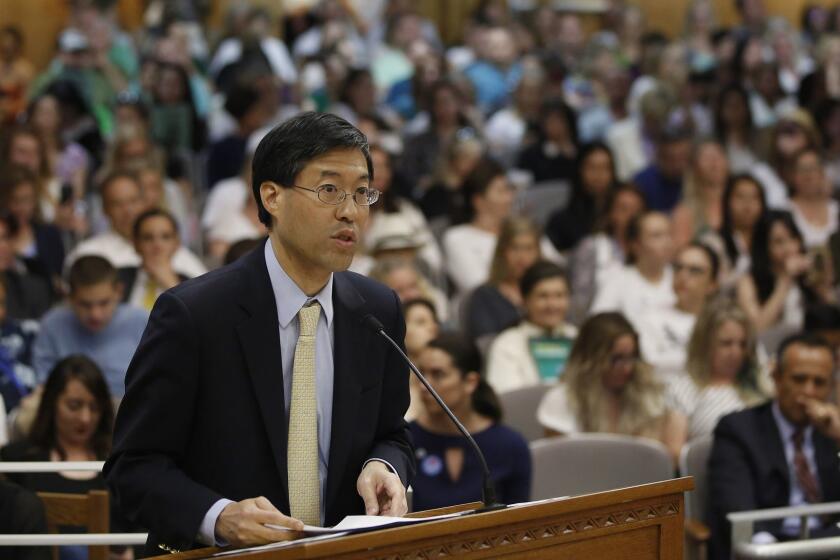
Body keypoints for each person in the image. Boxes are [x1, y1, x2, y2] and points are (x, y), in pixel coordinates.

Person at [105, 112, 415, 553]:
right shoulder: (194, 315)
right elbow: (133, 468)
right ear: (272, 196)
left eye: (362, 192)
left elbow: (393, 433)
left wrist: (385, 465)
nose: (350, 211)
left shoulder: (377, 310)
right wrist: (218, 517)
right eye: (329, 190)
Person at [707, 333, 840, 559]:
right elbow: (737, 512)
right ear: (777, 377)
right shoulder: (738, 430)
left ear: (832, 386)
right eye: (799, 379)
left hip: (829, 545)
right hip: (770, 546)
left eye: (819, 382)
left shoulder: (832, 429)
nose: (809, 391)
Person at [0, 355, 120, 560]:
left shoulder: (119, 466)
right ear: (52, 403)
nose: (85, 418)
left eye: (94, 407)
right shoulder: (16, 461)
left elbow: (137, 535)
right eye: (74, 406)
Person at [410, 334, 531, 510]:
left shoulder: (510, 445)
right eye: (421, 374)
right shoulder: (404, 441)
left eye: (438, 374)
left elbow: (521, 524)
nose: (424, 386)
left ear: (470, 382)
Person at [663, 300, 771, 461]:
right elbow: (675, 455)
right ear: (704, 345)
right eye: (726, 344)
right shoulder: (683, 388)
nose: (736, 352)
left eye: (742, 344)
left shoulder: (763, 385)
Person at [536, 312, 670, 442]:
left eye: (631, 358)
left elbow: (650, 456)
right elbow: (557, 459)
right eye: (616, 359)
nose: (627, 368)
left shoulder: (646, 395)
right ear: (591, 359)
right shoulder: (561, 399)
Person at [32, 256, 148, 398]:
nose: (95, 314)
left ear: (119, 292)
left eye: (104, 303)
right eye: (85, 305)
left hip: (127, 407)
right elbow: (44, 384)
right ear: (70, 297)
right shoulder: (52, 324)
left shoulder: (141, 321)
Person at [67, 172, 206, 279]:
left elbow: (204, 296)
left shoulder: (173, 251)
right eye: (118, 204)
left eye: (133, 201)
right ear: (105, 209)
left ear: (145, 202)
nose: (128, 211)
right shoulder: (87, 253)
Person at [486, 261, 578, 394]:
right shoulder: (507, 344)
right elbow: (508, 401)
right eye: (543, 296)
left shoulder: (580, 338)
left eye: (559, 295)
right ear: (525, 300)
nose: (552, 305)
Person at [737, 211, 835, 333]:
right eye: (779, 242)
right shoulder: (748, 281)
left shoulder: (808, 275)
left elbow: (831, 315)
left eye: (793, 238)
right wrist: (785, 281)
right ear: (764, 247)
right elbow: (757, 328)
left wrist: (821, 285)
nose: (789, 247)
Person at [636, 243, 720, 376]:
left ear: (712, 284)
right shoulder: (650, 317)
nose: (683, 275)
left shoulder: (721, 322)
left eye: (695, 270)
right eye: (678, 267)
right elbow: (648, 364)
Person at [567, 183, 646, 322]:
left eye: (637, 210)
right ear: (610, 213)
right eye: (624, 209)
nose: (631, 216)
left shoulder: (650, 251)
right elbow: (579, 300)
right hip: (598, 325)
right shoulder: (593, 247)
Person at [442, 157, 515, 297]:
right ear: (478, 201)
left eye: (509, 190)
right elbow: (477, 286)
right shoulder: (457, 238)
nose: (509, 198)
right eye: (501, 192)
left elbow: (554, 267)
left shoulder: (520, 231)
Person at [464, 217, 541, 342]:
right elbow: (485, 345)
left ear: (538, 252)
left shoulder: (550, 294)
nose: (522, 257)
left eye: (529, 248)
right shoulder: (484, 295)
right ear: (502, 252)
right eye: (515, 248)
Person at [590, 210, 676, 318]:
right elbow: (598, 324)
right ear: (635, 245)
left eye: (669, 234)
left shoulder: (681, 278)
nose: (667, 242)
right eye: (656, 236)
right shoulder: (617, 281)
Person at [544, 142, 617, 253]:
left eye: (605, 168)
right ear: (580, 170)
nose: (599, 174)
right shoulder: (561, 221)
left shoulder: (621, 215)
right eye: (592, 167)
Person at [118, 209, 188, 311]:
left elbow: (197, 323)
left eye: (165, 237)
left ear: (176, 243)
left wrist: (172, 285)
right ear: (135, 244)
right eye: (148, 238)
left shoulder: (191, 284)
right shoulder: (118, 278)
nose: (157, 245)